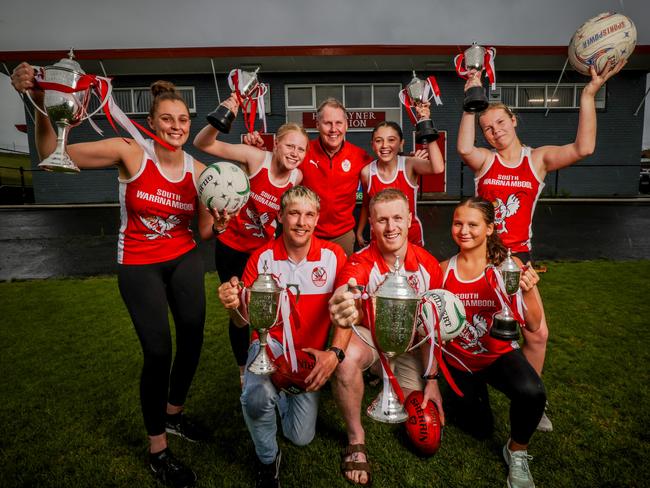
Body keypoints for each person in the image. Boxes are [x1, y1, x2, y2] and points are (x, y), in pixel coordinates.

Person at [11, 64, 221, 488]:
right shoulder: (130, 151)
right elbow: (56, 159)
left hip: (183, 258)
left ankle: (174, 415)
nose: (177, 126)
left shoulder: (199, 172)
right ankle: (158, 449)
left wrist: (221, 215)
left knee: (194, 337)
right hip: (139, 262)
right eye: (168, 119)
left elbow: (203, 232)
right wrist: (40, 106)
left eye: (183, 120)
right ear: (151, 122)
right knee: (159, 352)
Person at [457, 61, 625, 431]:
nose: (494, 131)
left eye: (500, 123)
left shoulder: (539, 159)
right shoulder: (485, 161)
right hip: (480, 257)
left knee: (537, 332)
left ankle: (532, 398)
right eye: (488, 128)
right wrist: (472, 96)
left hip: (517, 259)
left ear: (514, 121)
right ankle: (466, 386)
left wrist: (588, 93)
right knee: (475, 328)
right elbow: (464, 146)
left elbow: (584, 147)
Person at [217, 186, 347, 488]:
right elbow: (243, 322)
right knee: (255, 397)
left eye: (309, 215)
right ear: (280, 216)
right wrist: (233, 306)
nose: (301, 222)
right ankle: (267, 460)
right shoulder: (261, 258)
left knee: (299, 437)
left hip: (308, 357)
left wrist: (334, 353)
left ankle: (284, 395)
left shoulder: (334, 256)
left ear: (317, 219)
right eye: (294, 214)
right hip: (269, 349)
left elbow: (346, 312)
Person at [328, 188, 444, 486]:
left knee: (417, 411)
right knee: (347, 359)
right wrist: (343, 298)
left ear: (409, 221)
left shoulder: (428, 265)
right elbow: (348, 286)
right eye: (381, 220)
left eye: (396, 219)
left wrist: (433, 380)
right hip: (374, 340)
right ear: (372, 225)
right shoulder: (361, 260)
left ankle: (383, 378)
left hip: (408, 347)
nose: (390, 227)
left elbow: (433, 329)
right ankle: (356, 438)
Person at [194, 95, 308, 386]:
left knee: (263, 308)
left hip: (262, 254)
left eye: (301, 149)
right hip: (231, 247)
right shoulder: (256, 157)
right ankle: (243, 369)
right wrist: (227, 109)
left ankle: (270, 356)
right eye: (290, 145)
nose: (295, 153)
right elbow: (202, 144)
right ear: (276, 144)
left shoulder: (297, 177)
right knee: (237, 309)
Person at [441, 197, 545, 488]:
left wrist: (528, 291)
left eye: (473, 224)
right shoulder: (442, 270)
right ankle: (469, 395)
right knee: (479, 429)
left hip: (497, 356)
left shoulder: (509, 267)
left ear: (489, 229)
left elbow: (534, 324)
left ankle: (517, 451)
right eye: (458, 223)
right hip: (460, 360)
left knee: (533, 392)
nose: (464, 230)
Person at [246, 98, 373, 255]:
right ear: (317, 125)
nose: (334, 129)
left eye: (339, 123)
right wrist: (256, 150)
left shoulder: (359, 155)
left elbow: (382, 173)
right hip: (304, 232)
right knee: (300, 277)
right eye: (327, 123)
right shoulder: (302, 152)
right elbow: (275, 165)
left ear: (346, 125)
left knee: (342, 279)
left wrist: (409, 161)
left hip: (343, 235)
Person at [356, 112, 445, 247]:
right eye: (379, 140)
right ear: (373, 145)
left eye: (391, 140)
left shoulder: (409, 165)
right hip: (381, 236)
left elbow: (438, 168)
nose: (385, 145)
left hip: (410, 236)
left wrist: (425, 121)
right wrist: (360, 230)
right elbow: (366, 205)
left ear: (401, 143)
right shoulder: (367, 172)